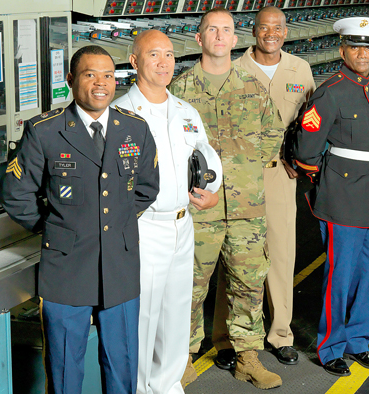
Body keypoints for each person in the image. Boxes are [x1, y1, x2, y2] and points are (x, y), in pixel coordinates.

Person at [0, 45, 160, 394]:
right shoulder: (45, 131)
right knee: (64, 367)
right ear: (71, 79)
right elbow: (16, 193)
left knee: (122, 364)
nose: (101, 83)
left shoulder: (134, 130)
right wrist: (53, 228)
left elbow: (147, 189)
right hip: (66, 267)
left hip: (119, 266)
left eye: (108, 76)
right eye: (90, 75)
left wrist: (114, 225)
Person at [169, 7, 285, 390]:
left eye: (227, 30)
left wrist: (233, 164)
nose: (220, 36)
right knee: (189, 285)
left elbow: (273, 136)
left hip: (245, 209)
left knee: (249, 284)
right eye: (211, 30)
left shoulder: (254, 87)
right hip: (197, 209)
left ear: (236, 41)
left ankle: (247, 357)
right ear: (199, 39)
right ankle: (181, 357)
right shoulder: (180, 91)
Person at [112, 30, 222, 394]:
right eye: (154, 55)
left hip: (181, 224)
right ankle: (140, 388)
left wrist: (212, 192)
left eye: (170, 55)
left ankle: (169, 385)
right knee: (143, 316)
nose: (164, 63)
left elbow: (206, 158)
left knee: (177, 313)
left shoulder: (185, 111)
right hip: (143, 227)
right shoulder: (119, 114)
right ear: (134, 61)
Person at [211, 5, 316, 367]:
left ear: (286, 32)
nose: (271, 33)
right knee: (235, 256)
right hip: (238, 175)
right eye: (264, 28)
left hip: (279, 174)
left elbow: (310, 120)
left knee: (282, 255)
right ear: (253, 31)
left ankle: (280, 335)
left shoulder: (299, 70)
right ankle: (226, 338)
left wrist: (301, 159)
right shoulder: (233, 68)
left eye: (278, 28)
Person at [293, 16, 369, 377]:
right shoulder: (330, 91)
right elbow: (306, 151)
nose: (362, 53)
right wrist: (327, 184)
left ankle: (358, 341)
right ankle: (331, 346)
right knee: (340, 276)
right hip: (343, 198)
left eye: (368, 46)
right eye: (355, 46)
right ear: (342, 50)